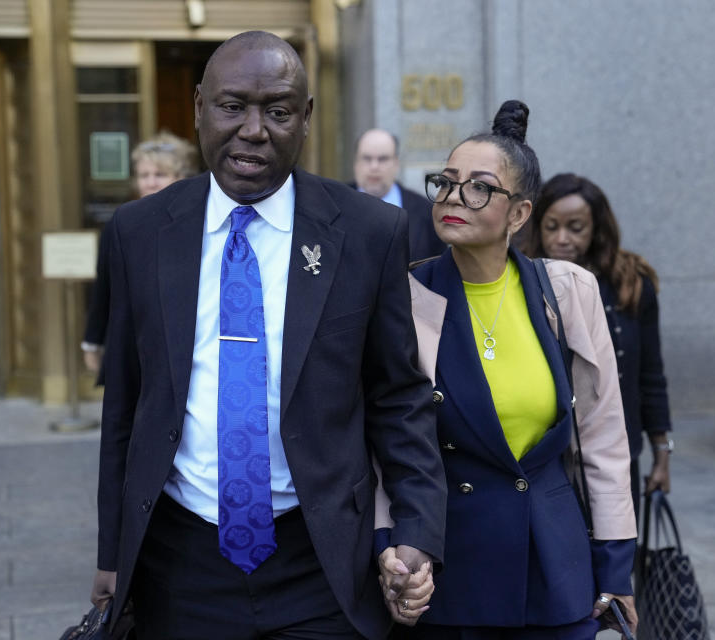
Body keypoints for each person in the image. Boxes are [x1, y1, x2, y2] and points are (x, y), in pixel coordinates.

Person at [89, 30, 447, 640]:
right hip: (181, 562)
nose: (253, 130)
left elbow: (398, 398)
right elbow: (125, 406)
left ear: (305, 118)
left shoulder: (368, 233)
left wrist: (416, 532)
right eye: (232, 107)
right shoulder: (139, 232)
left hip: (322, 558)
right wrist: (109, 553)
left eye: (277, 111)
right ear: (199, 105)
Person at [396, 100, 638, 639]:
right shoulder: (406, 297)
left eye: (479, 186)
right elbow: (387, 440)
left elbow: (602, 436)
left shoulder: (568, 290)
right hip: (451, 566)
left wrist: (616, 567)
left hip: (556, 562)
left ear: (520, 214)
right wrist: (391, 549)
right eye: (446, 182)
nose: (454, 197)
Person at [529, 173, 673, 518]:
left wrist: (662, 453)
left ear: (597, 229)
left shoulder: (629, 283)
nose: (562, 239)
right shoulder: (523, 278)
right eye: (551, 227)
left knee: (615, 556)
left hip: (617, 448)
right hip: (546, 455)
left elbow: (650, 372)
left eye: (575, 227)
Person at [81, 132, 197, 378]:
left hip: (183, 342)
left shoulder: (199, 223)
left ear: (181, 178)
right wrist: (92, 342)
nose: (151, 183)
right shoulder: (121, 223)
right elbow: (104, 288)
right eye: (144, 175)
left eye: (160, 175)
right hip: (131, 339)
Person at [352, 128, 446, 261]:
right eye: (367, 158)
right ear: (356, 163)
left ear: (396, 163)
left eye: (383, 159)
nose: (374, 167)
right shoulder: (334, 201)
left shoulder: (426, 211)